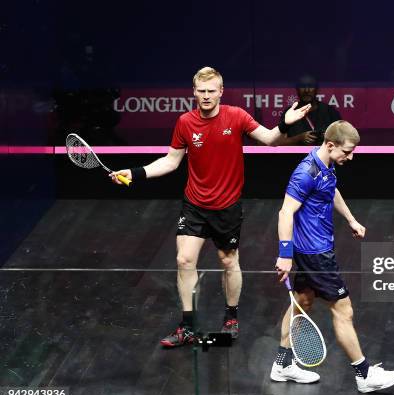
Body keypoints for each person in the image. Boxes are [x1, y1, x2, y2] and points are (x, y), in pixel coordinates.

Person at [110, 66, 310, 347]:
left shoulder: (236, 116)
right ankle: (187, 326)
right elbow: (171, 161)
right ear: (194, 92)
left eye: (211, 91)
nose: (206, 96)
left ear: (220, 92)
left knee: (228, 261)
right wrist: (135, 172)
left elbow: (270, 140)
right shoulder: (185, 122)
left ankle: (230, 317)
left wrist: (285, 123)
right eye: (201, 91)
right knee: (184, 260)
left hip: (227, 206)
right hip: (194, 203)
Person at [271, 120, 394, 393]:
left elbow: (330, 191)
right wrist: (285, 255)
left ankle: (282, 364)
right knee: (344, 310)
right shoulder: (305, 172)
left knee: (302, 303)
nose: (351, 156)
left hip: (316, 249)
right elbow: (285, 212)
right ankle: (364, 374)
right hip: (315, 253)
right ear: (330, 145)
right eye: (347, 151)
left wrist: (351, 220)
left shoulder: (326, 166)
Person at [277, 75, 341, 146]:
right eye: (302, 86)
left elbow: (342, 139)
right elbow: (279, 143)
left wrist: (327, 138)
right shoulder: (290, 113)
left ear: (317, 89)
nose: (307, 90)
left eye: (310, 86)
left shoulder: (330, 112)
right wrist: (299, 138)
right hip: (296, 156)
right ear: (297, 89)